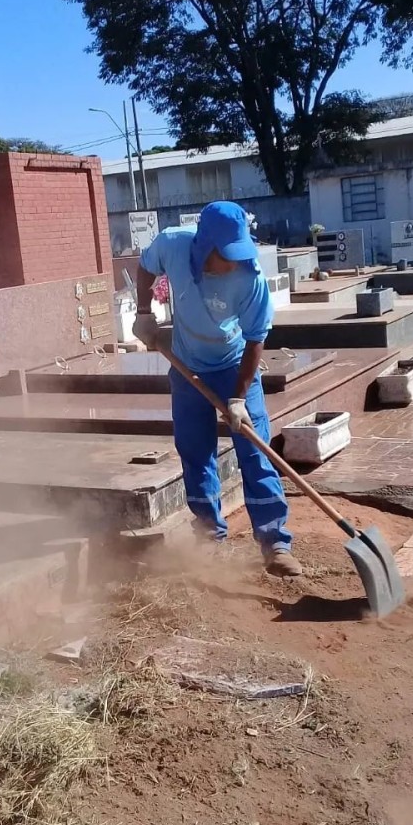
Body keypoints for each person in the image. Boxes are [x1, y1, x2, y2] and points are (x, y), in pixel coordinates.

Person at [133, 200, 302, 578]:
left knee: (255, 451)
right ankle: (209, 533)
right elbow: (144, 269)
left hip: (234, 368)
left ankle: (275, 542)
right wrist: (144, 312)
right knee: (195, 451)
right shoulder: (173, 245)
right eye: (227, 254)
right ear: (205, 245)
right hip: (187, 366)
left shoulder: (250, 278)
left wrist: (239, 397)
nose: (234, 262)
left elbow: (256, 339)